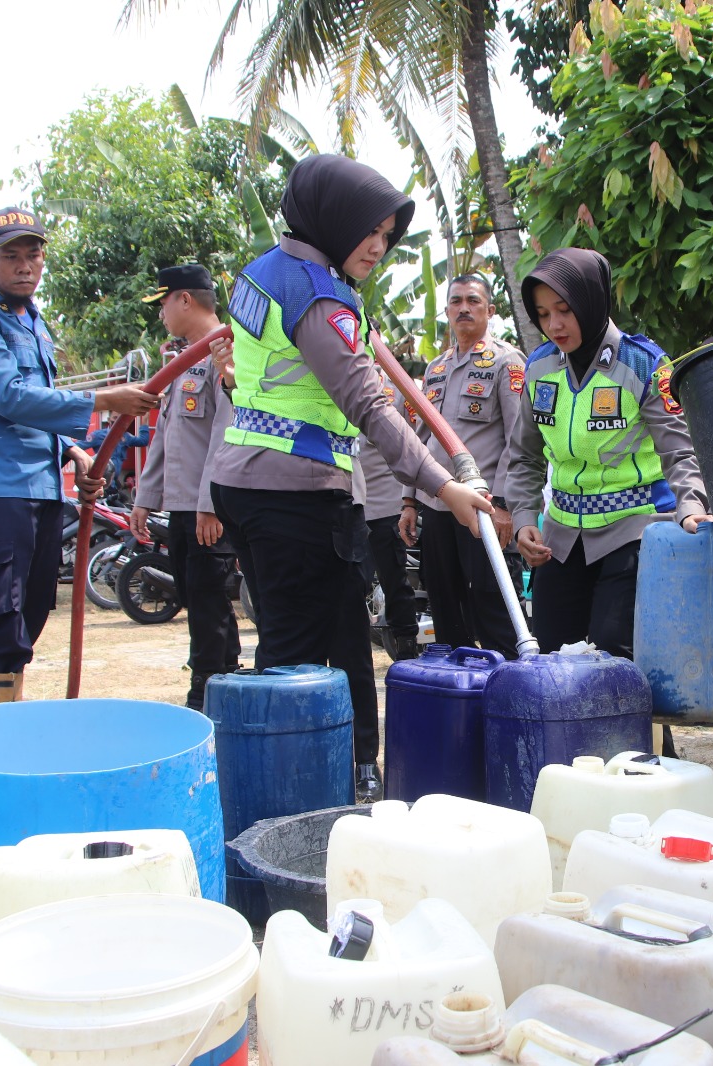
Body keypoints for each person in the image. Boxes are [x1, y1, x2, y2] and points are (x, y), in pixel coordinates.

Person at [205, 155, 491, 804]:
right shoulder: (320, 298)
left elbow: (261, 375)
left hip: (251, 485)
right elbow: (369, 406)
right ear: (333, 219)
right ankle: (285, 806)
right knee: (298, 660)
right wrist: (443, 486)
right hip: (294, 498)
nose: (379, 246)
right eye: (370, 230)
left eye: (389, 235)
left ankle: (339, 776)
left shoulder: (262, 273)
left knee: (312, 639)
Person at [0, 207, 159, 703]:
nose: (24, 266)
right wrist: (104, 400)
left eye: (33, 255)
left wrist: (74, 452)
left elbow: (38, 404)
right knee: (0, 617)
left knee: (34, 610)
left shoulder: (33, 322)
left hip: (39, 485)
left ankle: (2, 710)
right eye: (10, 256)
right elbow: (10, 397)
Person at [505, 247, 709, 661]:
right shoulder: (539, 367)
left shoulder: (644, 364)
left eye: (564, 309)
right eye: (543, 314)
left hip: (634, 534)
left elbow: (679, 450)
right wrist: (525, 518)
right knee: (553, 660)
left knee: (615, 661)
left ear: (591, 300)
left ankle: (645, 731)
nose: (554, 325)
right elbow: (524, 455)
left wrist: (691, 505)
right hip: (560, 538)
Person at [130, 264, 241, 711]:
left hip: (207, 509)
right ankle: (217, 685)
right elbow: (164, 433)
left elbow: (225, 431)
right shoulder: (181, 361)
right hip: (181, 509)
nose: (160, 314)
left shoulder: (225, 353)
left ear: (184, 300)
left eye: (162, 303)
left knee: (210, 605)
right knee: (199, 602)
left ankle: (209, 695)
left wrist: (209, 504)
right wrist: (145, 498)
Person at [399, 275, 527, 658]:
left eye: (473, 301)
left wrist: (504, 502)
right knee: (444, 608)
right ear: (447, 312)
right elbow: (418, 439)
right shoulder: (435, 370)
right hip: (438, 506)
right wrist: (409, 502)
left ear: (490, 310)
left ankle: (508, 690)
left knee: (495, 609)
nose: (464, 308)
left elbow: (518, 439)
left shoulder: (506, 361)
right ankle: (460, 695)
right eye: (455, 302)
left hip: (486, 509)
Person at [358, 368, 420, 661]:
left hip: (387, 505)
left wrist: (409, 500)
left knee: (395, 582)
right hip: (347, 504)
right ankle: (354, 656)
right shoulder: (331, 377)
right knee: (350, 586)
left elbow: (414, 443)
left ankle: (406, 649)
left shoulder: (395, 388)